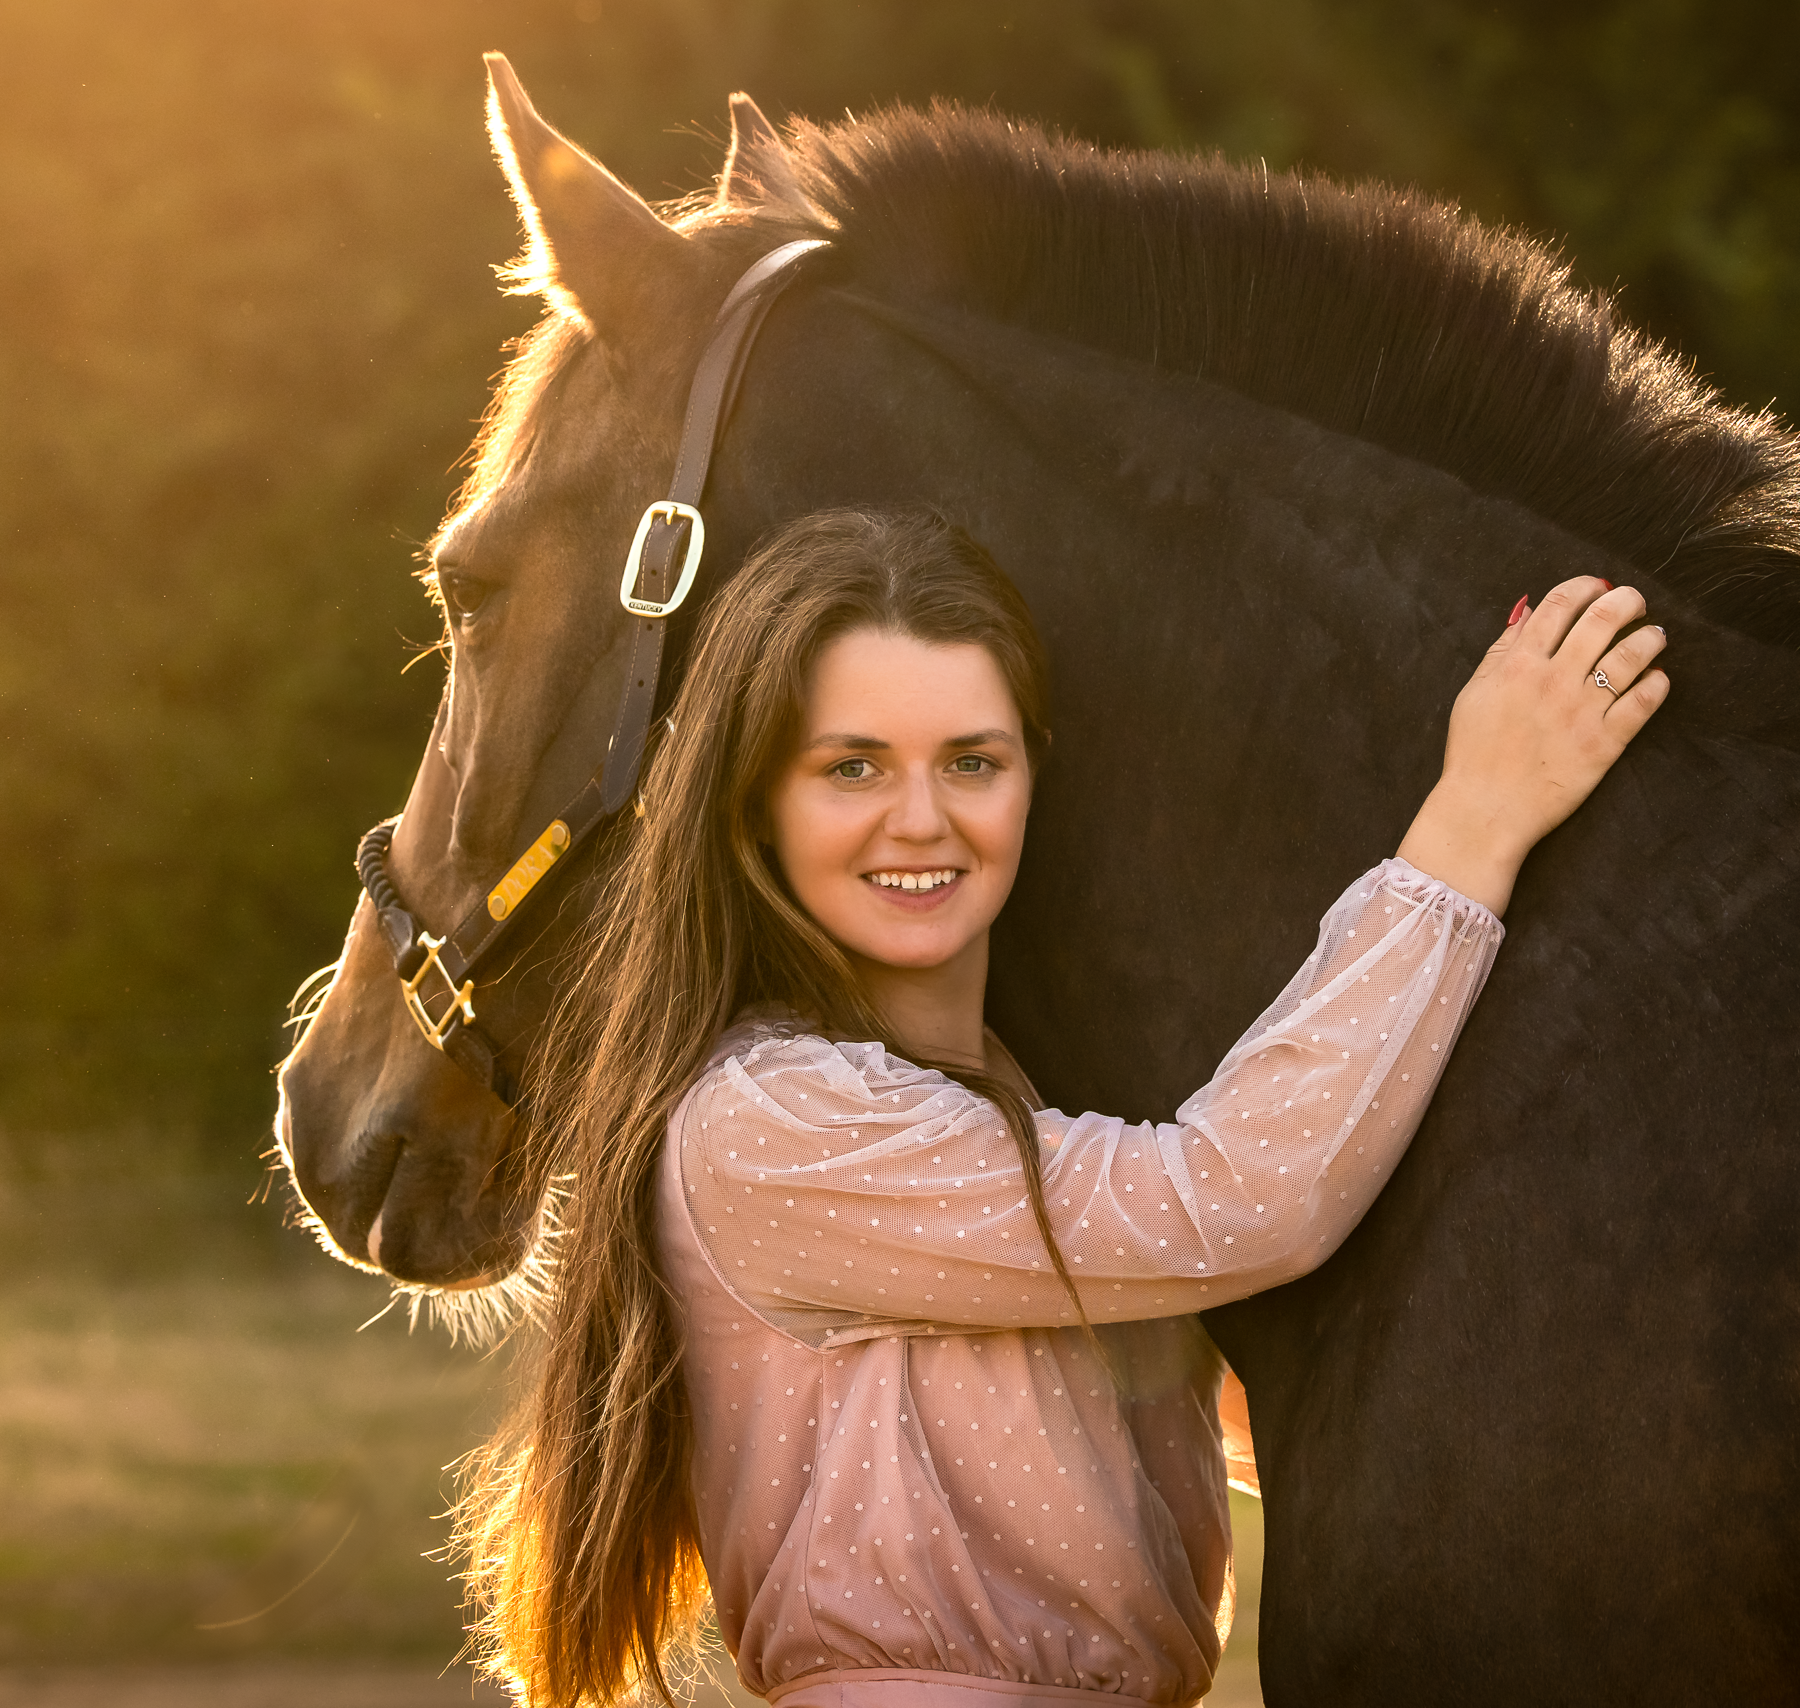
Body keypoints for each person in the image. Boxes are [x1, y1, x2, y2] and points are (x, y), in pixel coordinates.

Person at [462, 509, 1669, 1708]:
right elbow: (1237, 1199)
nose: (923, 819)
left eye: (972, 761)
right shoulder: (771, 1117)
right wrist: (1479, 818)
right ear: (754, 806)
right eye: (852, 766)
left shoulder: (1019, 1109)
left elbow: (1248, 1404)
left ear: (1032, 778)